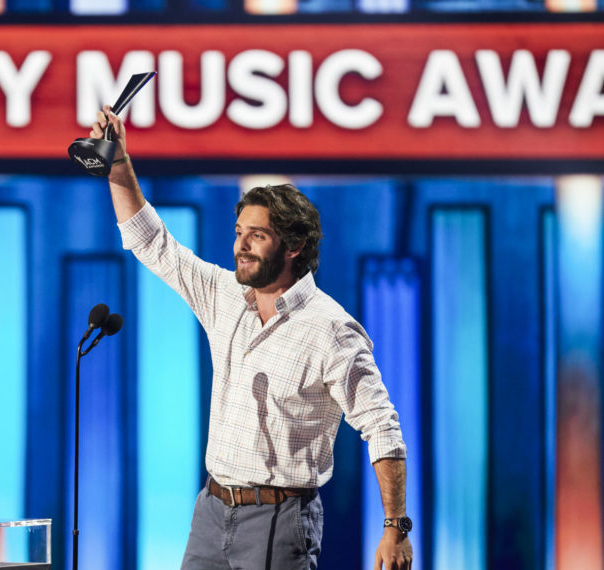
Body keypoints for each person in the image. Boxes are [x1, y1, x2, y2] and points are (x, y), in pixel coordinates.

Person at [89, 106, 413, 570]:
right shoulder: (225, 295)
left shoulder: (331, 329)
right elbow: (150, 242)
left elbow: (383, 428)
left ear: (294, 245)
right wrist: (118, 163)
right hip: (211, 510)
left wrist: (394, 527)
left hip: (280, 521)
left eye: (256, 236)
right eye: (239, 233)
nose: (240, 245)